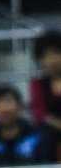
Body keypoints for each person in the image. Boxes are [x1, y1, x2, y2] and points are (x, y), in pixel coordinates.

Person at [29, 30, 61, 160]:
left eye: (56, 53)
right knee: (43, 140)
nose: (51, 60)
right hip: (51, 131)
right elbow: (40, 113)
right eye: (45, 56)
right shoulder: (37, 84)